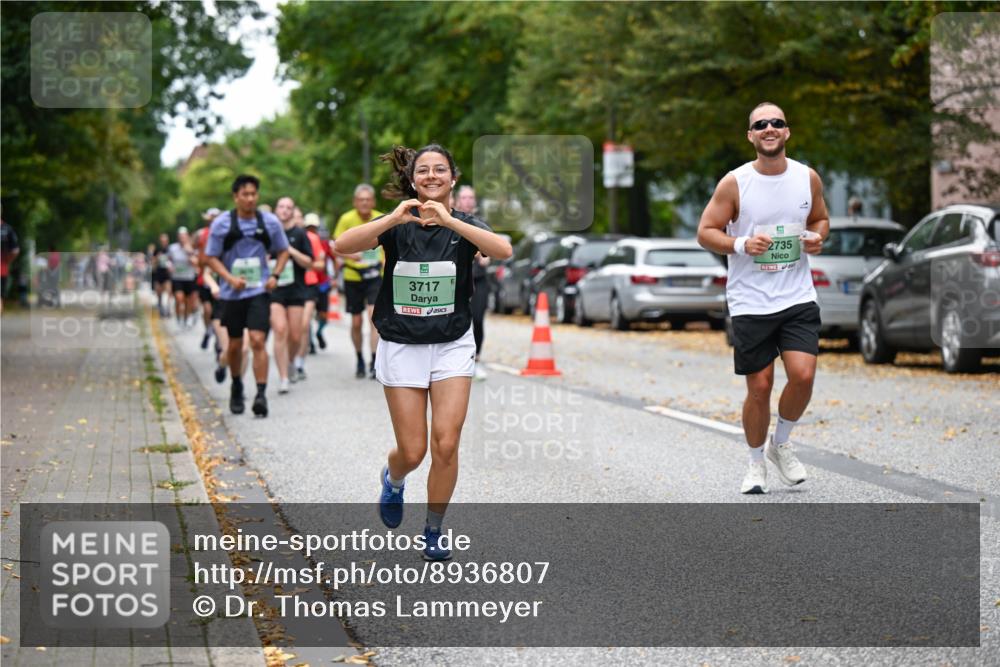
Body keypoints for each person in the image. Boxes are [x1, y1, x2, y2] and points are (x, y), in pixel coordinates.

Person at [336, 144, 513, 561]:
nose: (431, 176)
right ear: (413, 179)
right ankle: (394, 478)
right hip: (401, 342)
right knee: (413, 451)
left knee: (446, 443)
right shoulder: (396, 223)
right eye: (423, 171)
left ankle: (433, 529)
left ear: (453, 178)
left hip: (451, 342)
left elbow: (503, 250)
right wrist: (393, 217)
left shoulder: (466, 224)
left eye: (440, 170)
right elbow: (342, 245)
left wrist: (452, 221)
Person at [697, 102, 829, 495]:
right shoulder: (735, 183)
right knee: (760, 386)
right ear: (751, 136)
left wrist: (818, 238)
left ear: (787, 132)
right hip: (751, 300)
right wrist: (740, 243)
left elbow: (820, 219)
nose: (769, 128)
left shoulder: (807, 178)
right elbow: (706, 231)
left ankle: (781, 443)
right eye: (760, 125)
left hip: (797, 295)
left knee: (803, 376)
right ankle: (755, 463)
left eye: (777, 123)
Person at [204, 174, 290, 418]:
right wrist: (229, 279)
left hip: (259, 291)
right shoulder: (222, 224)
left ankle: (261, 394)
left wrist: (275, 275)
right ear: (236, 197)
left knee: (257, 340)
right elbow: (210, 257)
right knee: (234, 344)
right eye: (245, 194)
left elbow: (283, 251)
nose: (250, 198)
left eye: (254, 194)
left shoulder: (269, 222)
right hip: (232, 294)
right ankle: (237, 384)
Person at [334, 185, 385, 379]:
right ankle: (359, 358)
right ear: (355, 202)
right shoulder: (346, 219)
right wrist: (350, 256)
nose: (364, 203)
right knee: (356, 322)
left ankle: (374, 360)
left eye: (368, 199)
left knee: (373, 317)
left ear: (372, 202)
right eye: (360, 200)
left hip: (375, 275)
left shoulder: (380, 217)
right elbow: (336, 246)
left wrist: (384, 261)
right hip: (353, 276)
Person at [268, 197, 314, 393]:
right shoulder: (268, 233)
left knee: (295, 335)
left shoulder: (300, 233)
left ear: (293, 211)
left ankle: (291, 361)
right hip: (275, 290)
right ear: (276, 210)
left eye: (289, 207)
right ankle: (283, 377)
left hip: (296, 289)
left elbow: (309, 262)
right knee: (280, 330)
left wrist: (290, 251)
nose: (285, 210)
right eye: (281, 206)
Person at [453, 185, 490, 380]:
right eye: (464, 197)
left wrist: (478, 253)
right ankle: (460, 360)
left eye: (471, 198)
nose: (467, 201)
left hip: (479, 279)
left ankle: (476, 361)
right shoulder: (452, 220)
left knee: (477, 319)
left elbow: (487, 256)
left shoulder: (481, 223)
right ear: (458, 200)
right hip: (458, 279)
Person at [297, 212, 327, 374]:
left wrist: (304, 263)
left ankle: (300, 363)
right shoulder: (280, 236)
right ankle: (292, 359)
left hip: (311, 284)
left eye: (313, 227)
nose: (311, 230)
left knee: (305, 323)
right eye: (309, 227)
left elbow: (320, 264)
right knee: (293, 328)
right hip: (286, 287)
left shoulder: (313, 239)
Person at [196, 208, 222, 348]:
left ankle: (219, 340)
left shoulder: (225, 234)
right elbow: (192, 248)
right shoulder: (201, 234)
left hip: (219, 274)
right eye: (211, 217)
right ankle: (208, 330)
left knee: (219, 312)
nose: (214, 220)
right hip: (204, 275)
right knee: (207, 309)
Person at [168, 227, 199, 326]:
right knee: (179, 298)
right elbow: (168, 260)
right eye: (180, 237)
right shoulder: (173, 248)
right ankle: (178, 317)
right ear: (178, 237)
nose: (182, 239)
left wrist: (189, 252)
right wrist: (170, 266)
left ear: (187, 237)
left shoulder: (192, 248)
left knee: (188, 301)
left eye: (184, 237)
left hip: (189, 277)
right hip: (177, 277)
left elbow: (196, 262)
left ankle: (187, 317)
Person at [1, 217, 20, 314]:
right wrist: (8, 260)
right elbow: (15, 250)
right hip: (2, 268)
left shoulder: (7, 229)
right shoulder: (8, 229)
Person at [151, 233, 172, 316]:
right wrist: (157, 259)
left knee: (168, 291)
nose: (164, 242)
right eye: (162, 241)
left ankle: (168, 308)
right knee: (159, 292)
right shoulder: (157, 250)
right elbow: (153, 263)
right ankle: (160, 306)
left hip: (167, 274)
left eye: (165, 241)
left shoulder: (170, 250)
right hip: (158, 273)